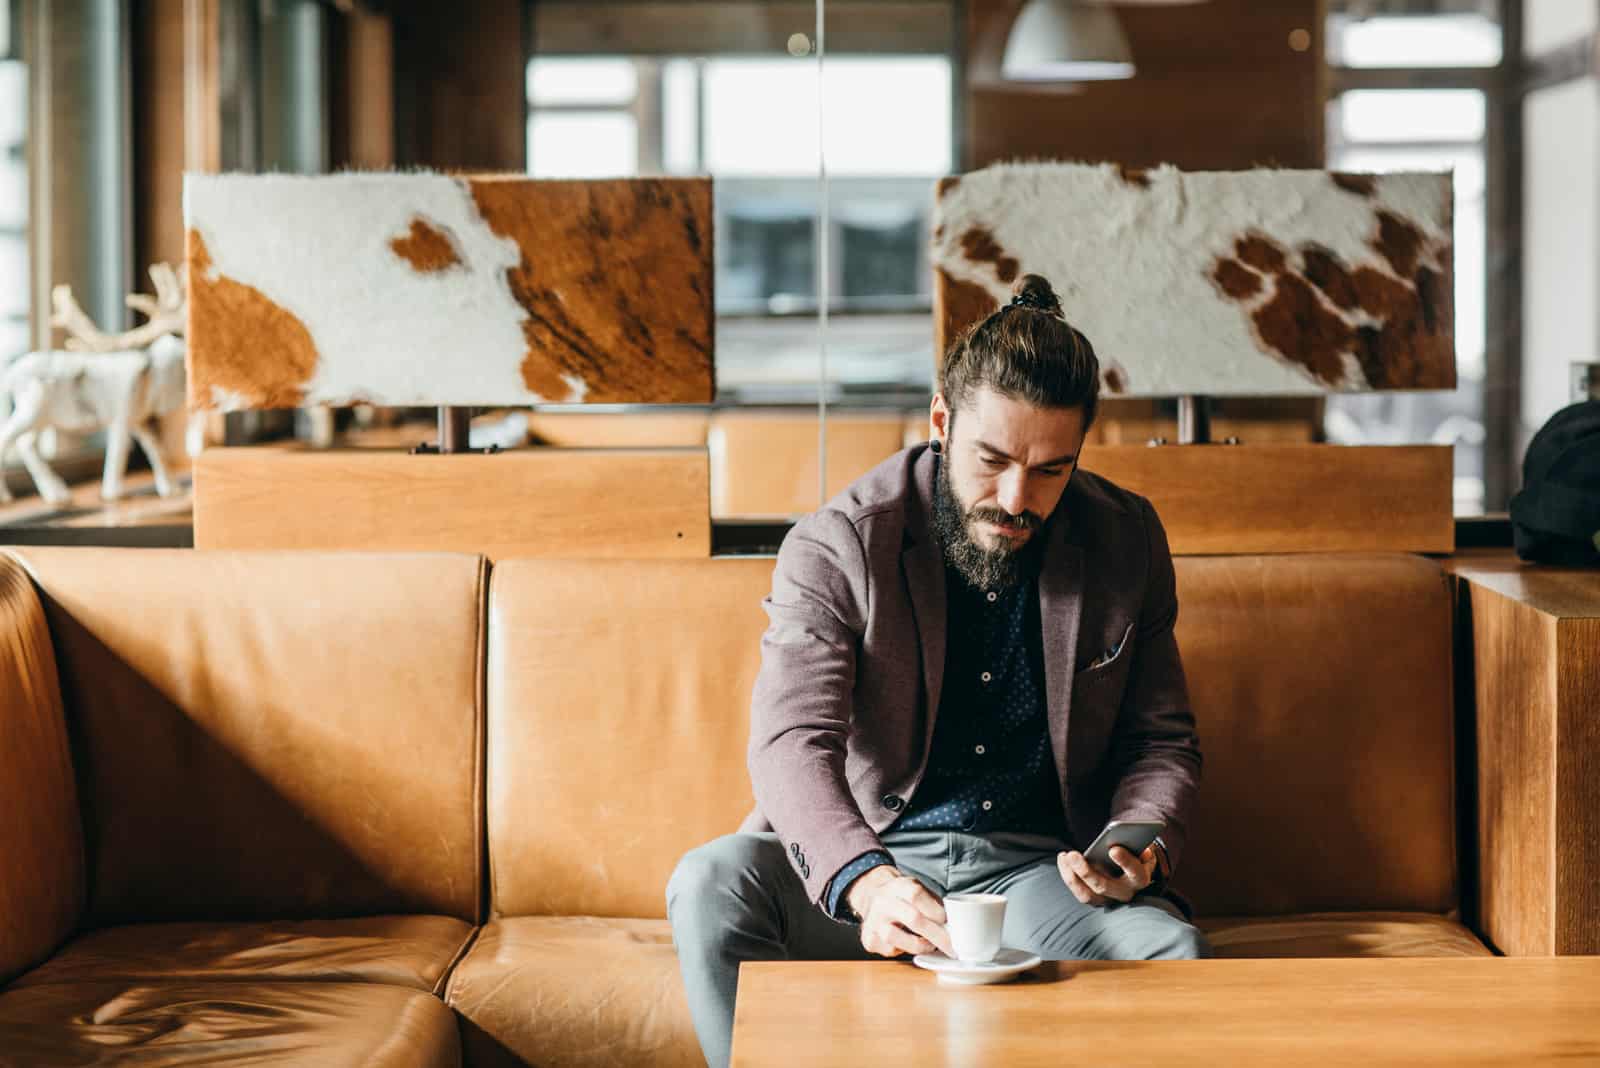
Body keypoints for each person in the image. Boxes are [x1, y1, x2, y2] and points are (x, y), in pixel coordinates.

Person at [668, 273, 1209, 1068]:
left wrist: (1140, 847)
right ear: (941, 422)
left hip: (1041, 874)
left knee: (1171, 952)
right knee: (711, 881)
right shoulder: (840, 544)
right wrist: (865, 882)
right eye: (992, 460)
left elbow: (1163, 741)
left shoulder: (1126, 538)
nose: (1017, 499)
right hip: (876, 860)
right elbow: (791, 745)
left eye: (1052, 469)